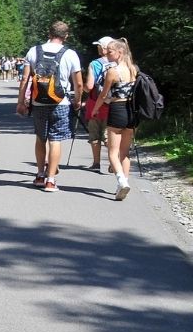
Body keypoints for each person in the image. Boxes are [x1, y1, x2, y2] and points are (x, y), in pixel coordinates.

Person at [15, 21, 83, 192]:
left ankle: (39, 175)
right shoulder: (70, 54)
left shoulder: (33, 50)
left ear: (49, 33)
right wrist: (77, 101)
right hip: (60, 102)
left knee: (40, 138)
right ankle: (51, 181)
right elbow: (79, 83)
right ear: (66, 36)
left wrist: (21, 102)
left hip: (38, 102)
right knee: (55, 140)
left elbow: (24, 79)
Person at [89, 38, 138, 200]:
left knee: (112, 152)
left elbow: (103, 95)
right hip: (131, 111)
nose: (107, 53)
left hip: (117, 110)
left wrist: (94, 110)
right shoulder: (133, 69)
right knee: (125, 153)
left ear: (120, 53)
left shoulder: (113, 71)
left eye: (110, 51)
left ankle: (122, 182)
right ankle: (123, 183)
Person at [82, 36, 114, 173]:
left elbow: (89, 86)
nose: (98, 48)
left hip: (95, 102)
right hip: (114, 104)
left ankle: (96, 163)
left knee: (94, 134)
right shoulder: (118, 63)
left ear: (105, 48)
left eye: (99, 45)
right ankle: (114, 161)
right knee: (109, 134)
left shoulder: (95, 64)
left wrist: (81, 88)